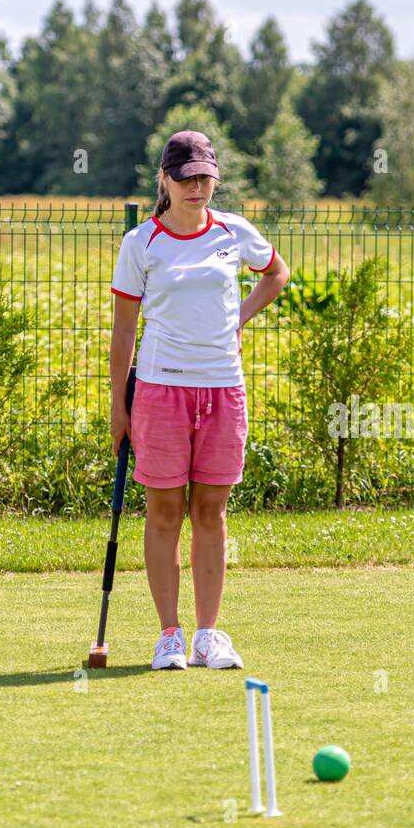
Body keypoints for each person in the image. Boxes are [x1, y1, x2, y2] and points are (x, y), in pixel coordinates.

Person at [108, 130, 289, 670]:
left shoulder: (235, 233)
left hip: (223, 389)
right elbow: (123, 333)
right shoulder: (141, 243)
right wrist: (119, 405)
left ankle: (208, 635)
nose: (198, 188)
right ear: (165, 179)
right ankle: (169, 635)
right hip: (161, 390)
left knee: (211, 511)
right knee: (164, 511)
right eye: (187, 178)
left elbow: (276, 273)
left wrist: (240, 318)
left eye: (206, 177)